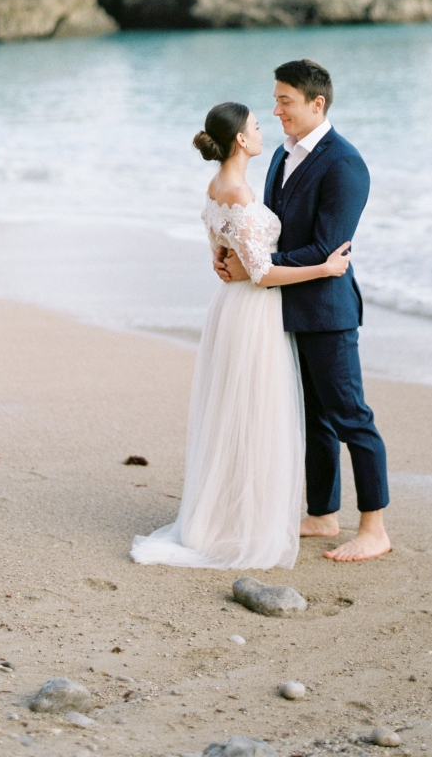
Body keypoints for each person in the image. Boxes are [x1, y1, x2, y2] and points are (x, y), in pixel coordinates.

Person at [130, 102, 352, 569]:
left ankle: (226, 514)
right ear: (241, 142)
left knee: (236, 410)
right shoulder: (240, 194)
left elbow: (221, 251)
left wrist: (222, 261)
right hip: (254, 313)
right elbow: (264, 273)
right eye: (255, 125)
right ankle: (243, 521)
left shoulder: (217, 187)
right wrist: (327, 267)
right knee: (255, 413)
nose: (262, 127)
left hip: (232, 309)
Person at [215, 59, 391, 562]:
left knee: (351, 416)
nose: (276, 111)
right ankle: (323, 514)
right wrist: (235, 250)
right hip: (283, 304)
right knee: (314, 418)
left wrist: (257, 268)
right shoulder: (280, 155)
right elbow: (266, 224)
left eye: (285, 101)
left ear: (317, 104)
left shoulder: (344, 164)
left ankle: (375, 528)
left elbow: (326, 249)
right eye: (274, 100)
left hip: (327, 309)